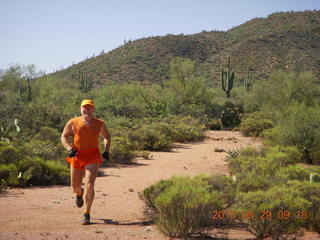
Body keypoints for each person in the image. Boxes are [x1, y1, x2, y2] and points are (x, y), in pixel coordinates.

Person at [61, 99, 111, 225]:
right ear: (81, 109)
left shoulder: (99, 123)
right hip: (77, 155)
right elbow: (64, 136)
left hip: (93, 156)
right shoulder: (73, 122)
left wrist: (106, 150)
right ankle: (79, 194)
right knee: (75, 187)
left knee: (90, 184)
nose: (87, 110)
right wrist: (69, 148)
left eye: (89, 108)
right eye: (84, 107)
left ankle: (86, 213)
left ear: (93, 110)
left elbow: (107, 137)